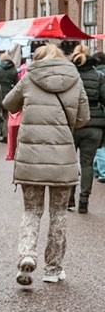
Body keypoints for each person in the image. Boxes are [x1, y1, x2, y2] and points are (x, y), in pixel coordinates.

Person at [3, 44, 89, 286]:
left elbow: (9, 104)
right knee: (58, 214)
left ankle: (27, 254)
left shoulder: (30, 77)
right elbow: (83, 119)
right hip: (62, 159)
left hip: (31, 158)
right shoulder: (75, 79)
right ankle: (53, 268)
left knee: (32, 211)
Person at [68, 45, 105, 213]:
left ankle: (69, 199)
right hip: (94, 124)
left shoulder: (70, 76)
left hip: (72, 123)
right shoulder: (99, 76)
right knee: (87, 164)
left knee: (69, 162)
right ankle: (84, 201)